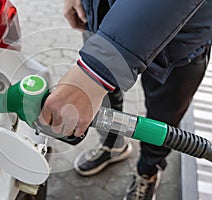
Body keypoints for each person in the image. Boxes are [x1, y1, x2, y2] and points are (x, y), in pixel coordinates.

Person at [39, 0, 212, 199]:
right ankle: (112, 146)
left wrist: (96, 70)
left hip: (181, 36)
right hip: (101, 16)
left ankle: (148, 171)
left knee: (163, 117)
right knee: (103, 100)